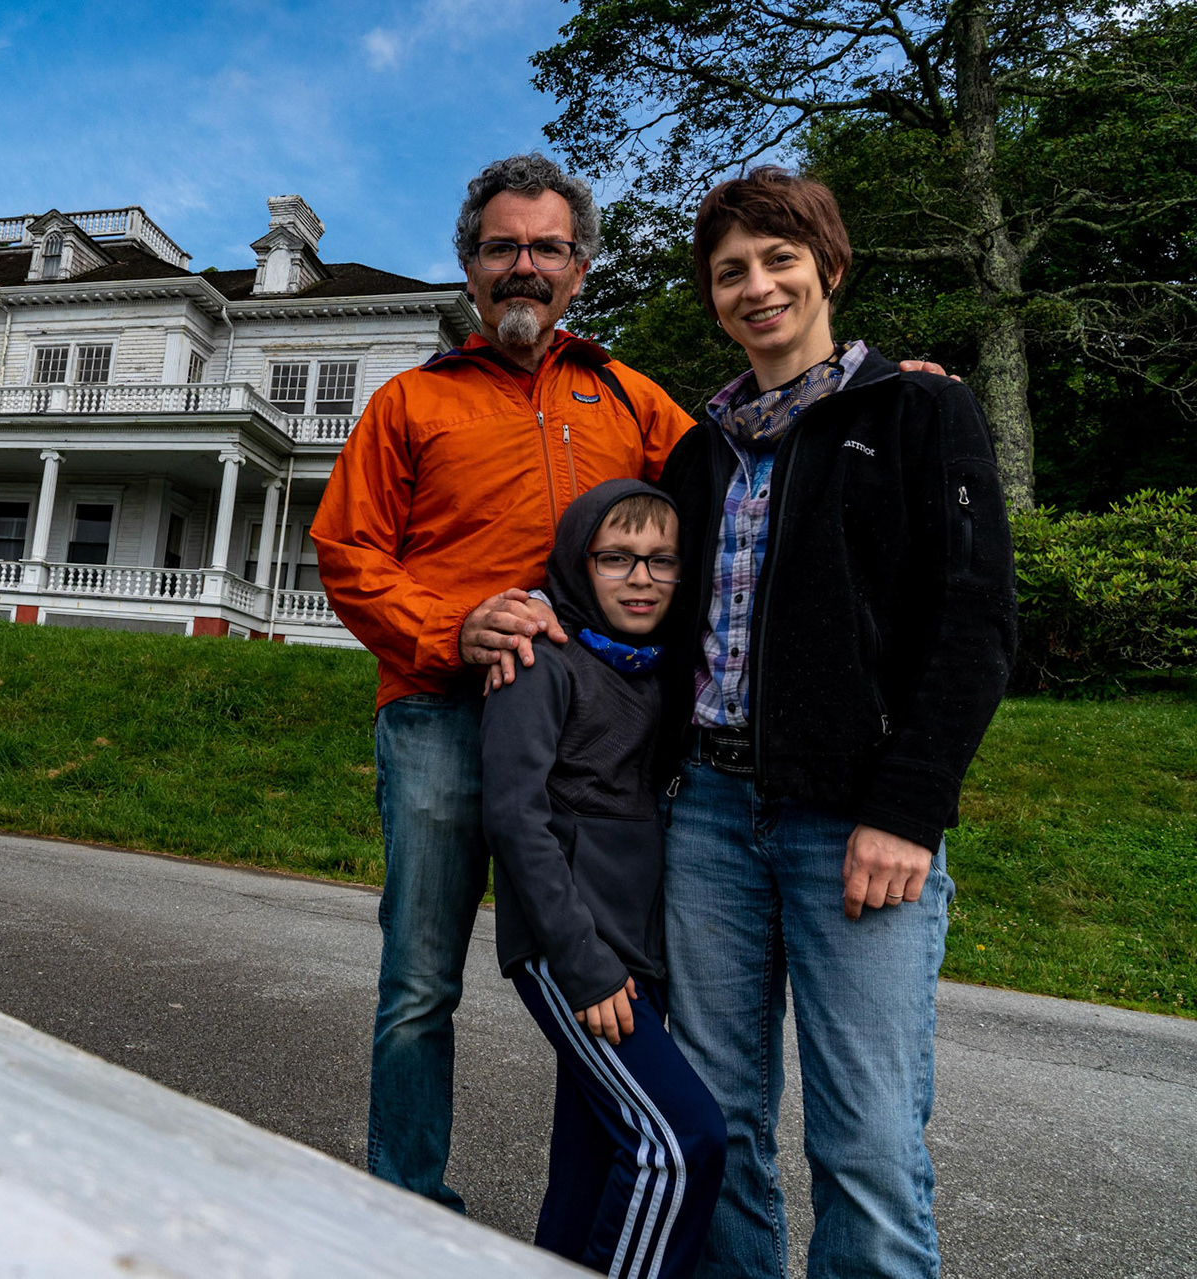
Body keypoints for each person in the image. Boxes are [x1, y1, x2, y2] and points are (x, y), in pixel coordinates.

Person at [311, 153, 697, 1208]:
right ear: (469, 266)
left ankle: (586, 1220)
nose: (523, 265)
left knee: (609, 966)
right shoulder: (408, 403)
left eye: (546, 248)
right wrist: (452, 628)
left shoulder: (627, 396)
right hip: (438, 716)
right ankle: (406, 1204)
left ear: (581, 266)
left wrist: (883, 396)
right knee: (419, 984)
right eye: (501, 248)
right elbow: (347, 553)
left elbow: (734, 471)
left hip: (590, 735)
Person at [653, 167, 1016, 1277]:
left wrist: (907, 809)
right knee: (716, 1119)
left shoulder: (920, 410)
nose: (756, 287)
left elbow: (976, 622)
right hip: (708, 818)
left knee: (865, 1138)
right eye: (730, 272)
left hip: (855, 825)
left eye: (778, 260)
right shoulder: (697, 449)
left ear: (829, 267)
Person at [482, 479, 723, 1276]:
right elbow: (517, 818)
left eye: (662, 560)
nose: (643, 577)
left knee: (590, 1167)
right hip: (573, 950)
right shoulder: (538, 659)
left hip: (639, 952)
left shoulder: (662, 671)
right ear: (580, 565)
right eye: (617, 558)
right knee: (679, 1142)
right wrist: (583, 962)